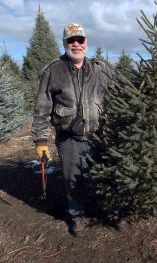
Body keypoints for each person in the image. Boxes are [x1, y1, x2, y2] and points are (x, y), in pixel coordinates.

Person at [32, 23, 113, 237]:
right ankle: (77, 217)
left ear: (86, 43)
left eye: (80, 40)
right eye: (71, 40)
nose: (76, 44)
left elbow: (123, 92)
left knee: (104, 176)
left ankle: (111, 211)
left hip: (98, 135)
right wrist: (41, 140)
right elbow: (42, 106)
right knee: (72, 180)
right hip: (68, 138)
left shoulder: (100, 69)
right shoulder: (53, 70)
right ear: (65, 43)